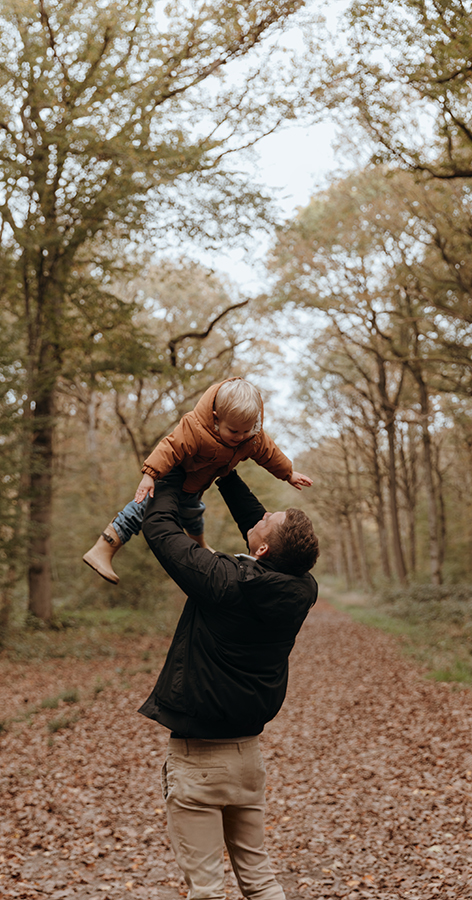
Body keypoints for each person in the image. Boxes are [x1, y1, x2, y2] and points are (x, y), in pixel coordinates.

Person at [138, 466, 320, 900]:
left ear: (260, 549)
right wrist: (226, 474)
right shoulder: (301, 587)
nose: (263, 513)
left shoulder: (224, 582)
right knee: (260, 880)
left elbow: (161, 531)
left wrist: (168, 476)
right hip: (246, 760)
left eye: (268, 518)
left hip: (199, 762)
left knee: (206, 889)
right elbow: (262, 532)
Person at [83, 377, 312, 584]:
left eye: (246, 430)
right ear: (216, 419)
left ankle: (200, 543)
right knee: (141, 508)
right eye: (233, 431)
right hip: (172, 476)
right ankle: (104, 547)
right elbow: (169, 447)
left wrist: (288, 473)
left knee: (194, 512)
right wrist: (150, 475)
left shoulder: (252, 437)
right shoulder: (195, 428)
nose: (240, 437)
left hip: (196, 486)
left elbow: (269, 453)